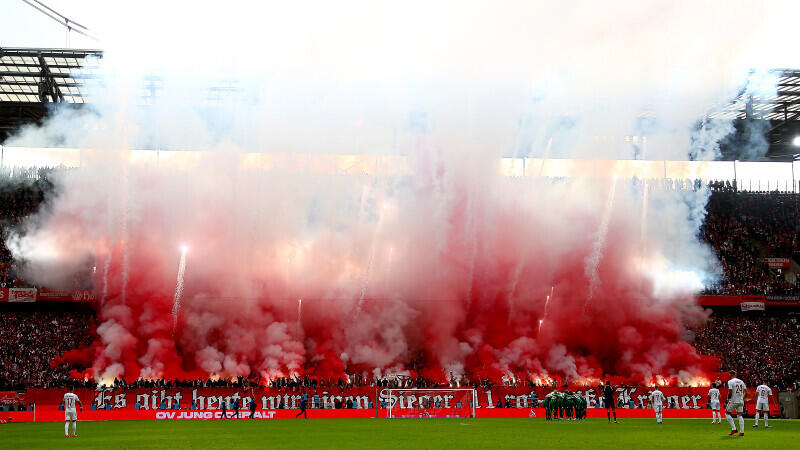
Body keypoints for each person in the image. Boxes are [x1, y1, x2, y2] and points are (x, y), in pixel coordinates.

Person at [725, 371, 746, 437]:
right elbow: (746, 392)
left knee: (727, 413)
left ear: (731, 374)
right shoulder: (741, 381)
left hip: (734, 400)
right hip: (741, 401)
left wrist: (728, 398)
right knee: (740, 415)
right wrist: (742, 398)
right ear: (735, 374)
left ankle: (734, 428)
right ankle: (742, 432)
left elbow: (730, 391)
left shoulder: (730, 381)